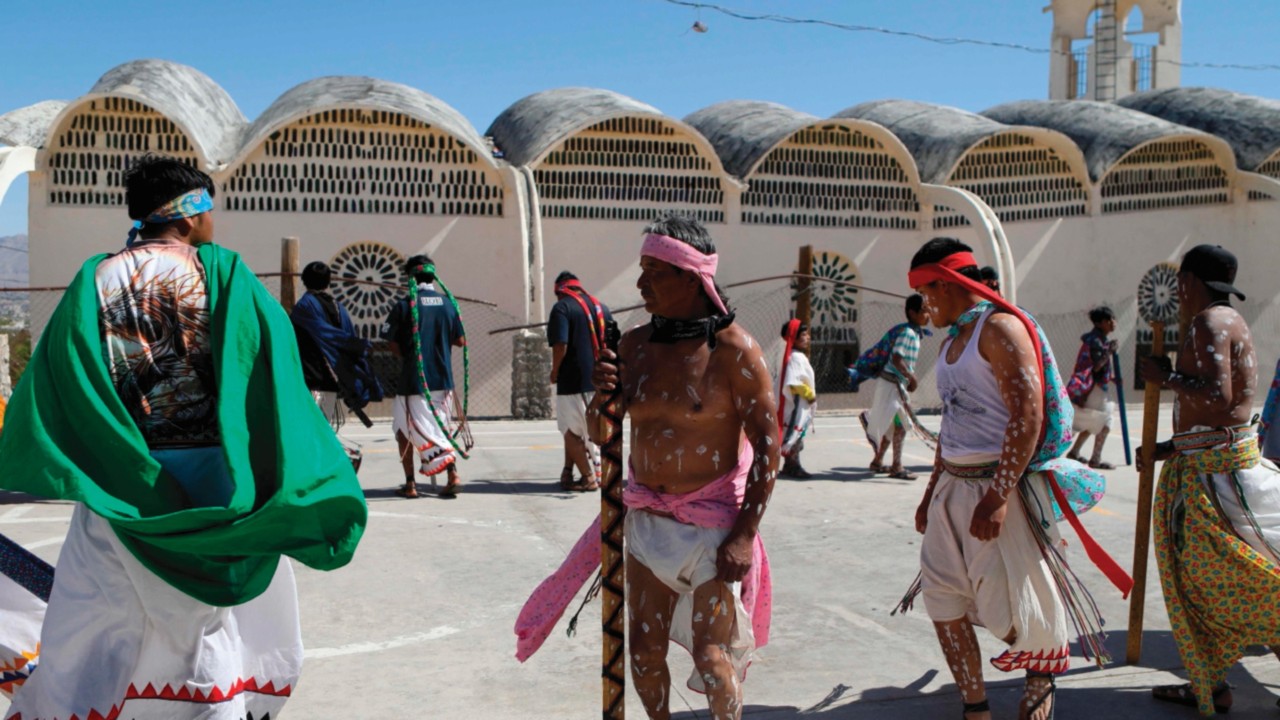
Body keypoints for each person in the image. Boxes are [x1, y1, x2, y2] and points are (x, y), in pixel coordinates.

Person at [0, 155, 366, 719]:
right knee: (203, 619)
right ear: (191, 214)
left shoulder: (94, 278)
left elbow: (61, 378)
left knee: (101, 610)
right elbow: (270, 371)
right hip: (216, 480)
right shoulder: (222, 275)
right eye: (210, 208)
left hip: (126, 480)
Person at [514, 214, 778, 720]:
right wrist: (603, 396)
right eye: (643, 270)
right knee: (641, 653)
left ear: (692, 277)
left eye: (655, 272)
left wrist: (745, 533)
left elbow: (770, 447)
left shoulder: (734, 352)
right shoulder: (633, 346)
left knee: (713, 658)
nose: (641, 284)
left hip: (714, 529)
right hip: (645, 526)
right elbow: (601, 435)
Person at [906, 238, 1129, 720]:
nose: (924, 306)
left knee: (1016, 609)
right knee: (942, 597)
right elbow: (952, 425)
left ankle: (1040, 681)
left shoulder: (1000, 329)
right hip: (953, 491)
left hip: (1001, 491)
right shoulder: (950, 343)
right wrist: (930, 495)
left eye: (926, 293)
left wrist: (998, 495)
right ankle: (975, 708)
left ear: (944, 284)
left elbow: (1026, 417)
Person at [1139, 244, 1280, 715]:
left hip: (1217, 481)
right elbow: (1216, 414)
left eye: (1181, 282)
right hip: (1209, 464)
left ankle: (1213, 681)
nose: (1179, 292)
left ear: (1189, 282)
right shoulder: (1225, 320)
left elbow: (1218, 398)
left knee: (1241, 578)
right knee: (1200, 584)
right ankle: (1210, 682)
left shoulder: (1207, 323)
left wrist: (1165, 376)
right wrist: (1163, 450)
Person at [381, 254, 467, 498]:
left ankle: (410, 484)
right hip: (443, 380)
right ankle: (452, 474)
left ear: (410, 277)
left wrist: (411, 355)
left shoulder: (404, 304)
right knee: (441, 429)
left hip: (414, 381)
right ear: (433, 275)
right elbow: (460, 340)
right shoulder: (449, 305)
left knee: (403, 430)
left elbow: (391, 343)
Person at [291, 260, 383, 426]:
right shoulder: (340, 308)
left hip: (310, 379)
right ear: (328, 282)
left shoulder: (303, 307)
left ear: (304, 280)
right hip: (332, 380)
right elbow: (348, 341)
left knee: (309, 428)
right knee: (324, 428)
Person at [548, 270, 612, 492]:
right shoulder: (601, 307)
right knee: (588, 431)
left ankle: (588, 478)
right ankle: (570, 471)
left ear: (559, 290)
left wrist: (555, 370)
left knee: (570, 431)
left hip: (572, 381)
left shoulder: (562, 308)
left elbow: (560, 345)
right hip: (599, 381)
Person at [860, 294, 931, 480]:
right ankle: (897, 466)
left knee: (892, 426)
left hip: (894, 385)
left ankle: (877, 461)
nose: (928, 314)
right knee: (900, 426)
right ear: (912, 313)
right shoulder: (908, 333)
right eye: (924, 310)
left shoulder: (914, 333)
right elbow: (897, 357)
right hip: (893, 386)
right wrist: (911, 377)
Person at [1066, 306, 1118, 470]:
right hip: (1093, 390)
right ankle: (1095, 458)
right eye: (1109, 320)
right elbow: (1096, 367)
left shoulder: (1098, 339)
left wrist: (1111, 378)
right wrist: (1109, 352)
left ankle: (1075, 452)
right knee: (1105, 421)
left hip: (1092, 389)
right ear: (1101, 323)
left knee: (1091, 421)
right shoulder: (1096, 341)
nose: (1113, 323)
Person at [778, 320, 815, 479]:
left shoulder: (795, 356)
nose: (807, 338)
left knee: (797, 435)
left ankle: (789, 465)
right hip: (797, 404)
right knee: (795, 435)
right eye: (804, 335)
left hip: (799, 403)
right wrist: (809, 395)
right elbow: (794, 382)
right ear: (794, 338)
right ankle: (794, 465)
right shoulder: (796, 357)